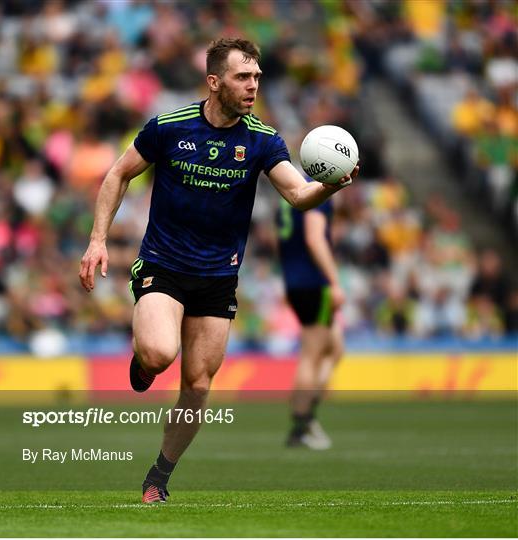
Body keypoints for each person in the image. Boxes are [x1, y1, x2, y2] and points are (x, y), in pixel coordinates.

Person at [79, 38, 358, 504]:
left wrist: (331, 185)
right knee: (160, 353)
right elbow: (118, 174)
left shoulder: (264, 140)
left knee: (199, 385)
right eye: (242, 77)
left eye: (257, 78)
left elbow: (298, 195)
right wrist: (97, 240)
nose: (253, 86)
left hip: (218, 277)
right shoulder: (169, 127)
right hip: (164, 265)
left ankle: (159, 477)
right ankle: (144, 365)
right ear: (214, 81)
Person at [276, 192, 345, 450]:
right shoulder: (319, 192)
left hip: (296, 280)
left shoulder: (291, 192)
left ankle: (303, 405)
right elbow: (314, 238)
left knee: (334, 348)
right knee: (313, 353)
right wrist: (335, 281)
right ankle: (302, 422)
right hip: (313, 282)